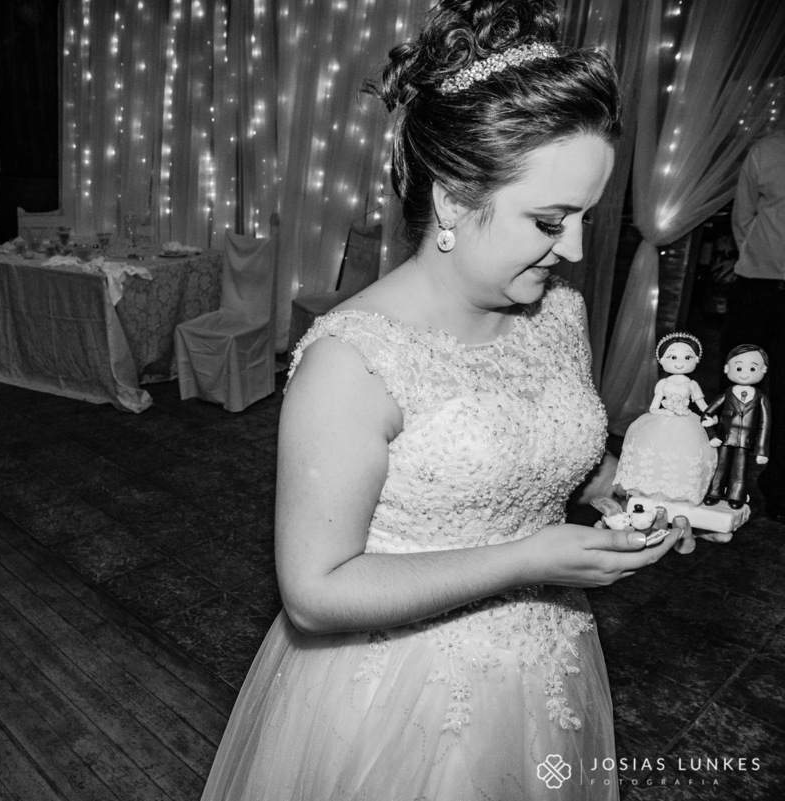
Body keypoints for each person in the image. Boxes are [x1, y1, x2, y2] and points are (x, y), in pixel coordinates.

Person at [200, 2, 695, 799]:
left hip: (544, 671)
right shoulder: (352, 361)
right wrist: (530, 558)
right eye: (549, 219)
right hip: (393, 697)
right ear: (456, 199)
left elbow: (561, 455)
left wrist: (642, 495)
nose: (572, 249)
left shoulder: (558, 313)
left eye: (585, 219)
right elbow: (315, 592)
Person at [725, 131, 785, 520]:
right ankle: (725, 482)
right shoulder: (766, 150)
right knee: (736, 387)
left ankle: (779, 492)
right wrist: (763, 257)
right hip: (756, 289)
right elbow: (743, 216)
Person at [614, 332, 717, 505]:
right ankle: (653, 487)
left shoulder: (691, 384)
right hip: (662, 420)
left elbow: (702, 405)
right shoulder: (663, 383)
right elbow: (653, 408)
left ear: (696, 360)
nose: (679, 362)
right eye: (673, 356)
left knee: (684, 452)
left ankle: (679, 491)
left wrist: (711, 417)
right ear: (662, 360)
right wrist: (665, 412)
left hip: (686, 421)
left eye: (687, 357)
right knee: (657, 451)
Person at [702, 344, 771, 509]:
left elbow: (765, 425)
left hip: (745, 442)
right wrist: (712, 432)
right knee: (720, 466)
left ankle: (736, 495)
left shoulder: (761, 399)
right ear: (727, 369)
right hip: (724, 437)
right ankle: (714, 492)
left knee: (740, 470)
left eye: (752, 369)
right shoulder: (727, 394)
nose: (745, 373)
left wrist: (761, 450)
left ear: (764, 370)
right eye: (739, 367)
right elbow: (707, 413)